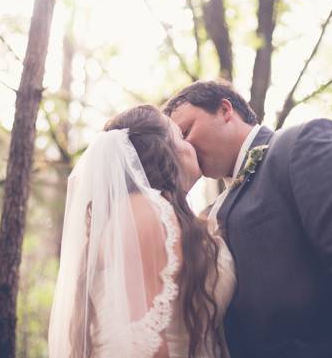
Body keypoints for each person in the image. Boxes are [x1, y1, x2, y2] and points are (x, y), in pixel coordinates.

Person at [163, 80, 332, 358]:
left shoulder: (301, 142)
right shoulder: (208, 213)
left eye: (186, 131)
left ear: (224, 110)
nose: (185, 149)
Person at [48, 104, 236, 358]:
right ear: (162, 151)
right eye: (180, 135)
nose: (190, 143)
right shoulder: (145, 213)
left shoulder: (135, 215)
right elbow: (146, 338)